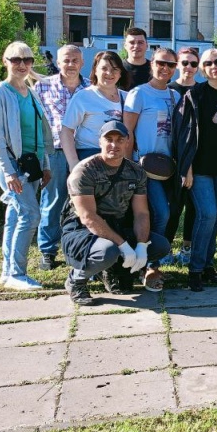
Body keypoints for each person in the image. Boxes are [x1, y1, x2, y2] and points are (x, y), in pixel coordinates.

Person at [60, 121, 170, 305]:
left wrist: (141, 246)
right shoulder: (84, 171)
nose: (114, 145)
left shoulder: (136, 171)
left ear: (127, 142)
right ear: (100, 141)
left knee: (160, 246)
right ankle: (76, 280)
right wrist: (124, 246)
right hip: (82, 230)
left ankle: (112, 270)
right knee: (107, 251)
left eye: (120, 140)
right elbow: (88, 217)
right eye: (109, 139)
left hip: (117, 225)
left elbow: (141, 213)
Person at [172, 48, 217, 292]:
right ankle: (194, 269)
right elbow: (184, 136)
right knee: (208, 214)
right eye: (208, 63)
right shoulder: (195, 95)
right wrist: (187, 169)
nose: (214, 66)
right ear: (203, 68)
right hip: (200, 167)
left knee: (214, 219)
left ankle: (208, 265)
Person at [0, 40, 53, 291]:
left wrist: (45, 164)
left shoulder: (31, 92)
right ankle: (17, 273)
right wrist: (9, 172)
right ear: (5, 62)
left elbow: (40, 132)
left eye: (27, 60)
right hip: (12, 166)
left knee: (15, 215)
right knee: (30, 214)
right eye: (16, 59)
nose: (22, 65)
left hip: (31, 165)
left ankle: (7, 271)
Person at [32, 44, 89, 270]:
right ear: (58, 61)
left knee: (84, 200)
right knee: (53, 200)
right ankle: (47, 250)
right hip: (54, 151)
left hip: (83, 150)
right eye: (66, 60)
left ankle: (79, 246)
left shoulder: (91, 88)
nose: (71, 64)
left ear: (82, 63)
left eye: (75, 60)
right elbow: (37, 121)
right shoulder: (43, 86)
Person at [122, 48, 181, 262]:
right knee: (160, 212)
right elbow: (127, 132)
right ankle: (153, 256)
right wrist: (128, 166)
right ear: (152, 64)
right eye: (160, 63)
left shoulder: (175, 95)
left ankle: (158, 251)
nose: (165, 68)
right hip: (145, 166)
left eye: (171, 65)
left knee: (169, 211)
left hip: (169, 166)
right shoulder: (139, 93)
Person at [61, 51, 129, 169]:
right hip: (89, 157)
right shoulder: (83, 96)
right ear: (95, 70)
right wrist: (74, 164)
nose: (109, 73)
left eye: (114, 69)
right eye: (104, 68)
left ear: (120, 73)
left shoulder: (128, 98)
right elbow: (66, 130)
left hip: (117, 157)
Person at [166, 46, 199, 263]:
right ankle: (165, 248)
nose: (188, 67)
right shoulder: (168, 89)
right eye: (184, 62)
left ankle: (187, 248)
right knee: (172, 206)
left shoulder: (201, 91)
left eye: (193, 63)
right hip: (169, 156)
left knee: (193, 206)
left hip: (196, 158)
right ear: (178, 64)